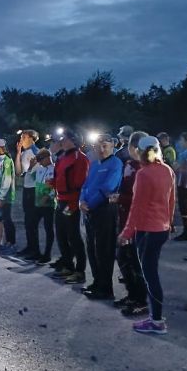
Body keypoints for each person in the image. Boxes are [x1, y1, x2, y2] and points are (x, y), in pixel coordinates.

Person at [118, 136, 175, 335]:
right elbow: (171, 200)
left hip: (147, 230)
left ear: (140, 152)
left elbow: (137, 207)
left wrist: (127, 232)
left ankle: (157, 321)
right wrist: (169, 223)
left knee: (150, 276)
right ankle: (155, 317)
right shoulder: (167, 170)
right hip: (160, 229)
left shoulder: (143, 174)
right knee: (151, 274)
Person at [79, 133, 123, 296]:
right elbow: (85, 185)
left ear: (112, 146)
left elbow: (108, 187)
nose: (102, 149)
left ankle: (105, 288)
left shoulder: (116, 163)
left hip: (104, 210)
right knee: (92, 248)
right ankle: (97, 282)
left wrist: (89, 204)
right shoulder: (94, 164)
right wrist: (81, 201)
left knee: (104, 249)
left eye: (105, 146)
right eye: (99, 146)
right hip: (90, 211)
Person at [113, 131, 149, 316]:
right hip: (125, 218)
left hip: (138, 223)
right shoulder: (129, 165)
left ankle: (141, 300)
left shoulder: (146, 169)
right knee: (123, 257)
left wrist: (120, 198)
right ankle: (132, 294)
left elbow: (142, 199)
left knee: (136, 262)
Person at [51, 129, 89, 279]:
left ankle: (80, 270)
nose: (62, 141)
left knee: (73, 235)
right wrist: (52, 184)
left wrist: (74, 204)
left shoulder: (80, 158)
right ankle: (67, 265)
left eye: (64, 138)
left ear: (73, 140)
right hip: (61, 201)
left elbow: (80, 183)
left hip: (71, 202)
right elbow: (59, 177)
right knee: (61, 234)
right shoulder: (62, 158)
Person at [15, 129, 40, 258]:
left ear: (31, 138)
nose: (21, 140)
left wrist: (29, 170)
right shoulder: (25, 153)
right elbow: (18, 172)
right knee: (27, 221)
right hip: (27, 188)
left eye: (23, 137)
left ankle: (35, 250)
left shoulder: (37, 152)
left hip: (34, 189)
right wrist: (18, 153)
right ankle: (30, 247)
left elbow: (38, 173)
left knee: (32, 221)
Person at [29, 148, 56, 264]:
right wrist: (31, 166)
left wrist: (49, 196)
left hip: (49, 204)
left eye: (40, 159)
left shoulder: (55, 169)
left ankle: (47, 254)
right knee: (32, 225)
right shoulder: (39, 169)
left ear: (47, 157)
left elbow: (56, 186)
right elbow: (30, 177)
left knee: (48, 229)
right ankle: (36, 252)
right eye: (38, 160)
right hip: (38, 203)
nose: (39, 162)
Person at [0, 138, 17, 255]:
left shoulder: (6, 161)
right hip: (0, 196)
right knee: (4, 219)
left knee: (7, 220)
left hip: (6, 197)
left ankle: (11, 243)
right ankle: (7, 243)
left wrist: (0, 198)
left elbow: (6, 181)